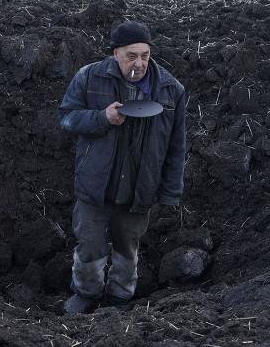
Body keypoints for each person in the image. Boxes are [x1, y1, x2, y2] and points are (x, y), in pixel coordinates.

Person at [57, 21, 188, 314]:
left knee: (127, 247)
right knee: (90, 245)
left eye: (145, 55)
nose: (139, 62)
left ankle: (120, 298)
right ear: (115, 53)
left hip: (140, 186)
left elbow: (177, 146)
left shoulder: (170, 90)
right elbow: (66, 118)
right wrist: (102, 118)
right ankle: (86, 293)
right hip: (96, 182)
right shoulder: (90, 78)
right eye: (132, 55)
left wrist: (170, 192)